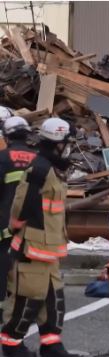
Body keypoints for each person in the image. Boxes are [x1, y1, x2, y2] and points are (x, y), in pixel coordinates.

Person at [1, 118, 79, 357]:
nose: (68, 147)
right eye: (66, 142)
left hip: (49, 246)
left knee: (53, 299)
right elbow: (21, 202)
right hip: (33, 244)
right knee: (26, 296)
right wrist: (16, 225)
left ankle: (51, 347)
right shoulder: (40, 167)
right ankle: (11, 343)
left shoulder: (53, 166)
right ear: (57, 143)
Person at [0, 117, 36, 322]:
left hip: (5, 224)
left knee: (3, 266)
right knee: (29, 267)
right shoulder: (39, 159)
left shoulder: (2, 158)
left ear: (7, 136)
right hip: (34, 225)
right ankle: (26, 309)